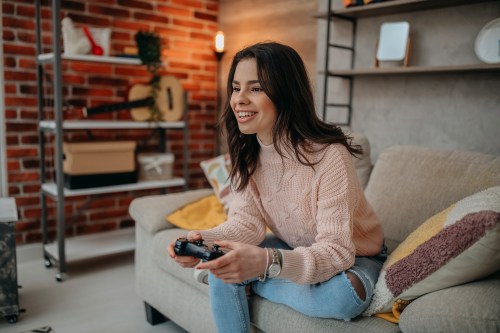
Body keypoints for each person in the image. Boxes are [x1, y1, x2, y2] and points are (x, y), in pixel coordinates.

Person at [168, 42, 385, 333]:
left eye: (255, 89)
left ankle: (247, 279)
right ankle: (240, 274)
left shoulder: (329, 155)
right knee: (223, 260)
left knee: (343, 297)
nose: (239, 100)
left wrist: (265, 263)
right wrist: (202, 240)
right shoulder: (247, 153)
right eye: (235, 88)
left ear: (286, 94)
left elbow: (336, 252)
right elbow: (247, 223)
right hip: (297, 248)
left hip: (356, 256)